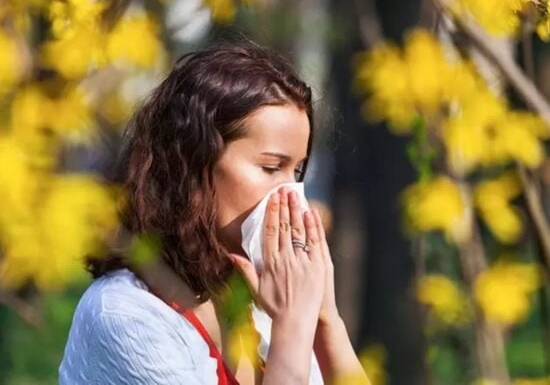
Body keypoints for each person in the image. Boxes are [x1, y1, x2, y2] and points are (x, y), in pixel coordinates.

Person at [58, 39, 369, 384]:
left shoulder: (263, 304)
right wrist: (294, 326)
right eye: (270, 167)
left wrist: (326, 320)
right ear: (193, 163)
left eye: (296, 172)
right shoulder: (125, 315)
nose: (293, 197)